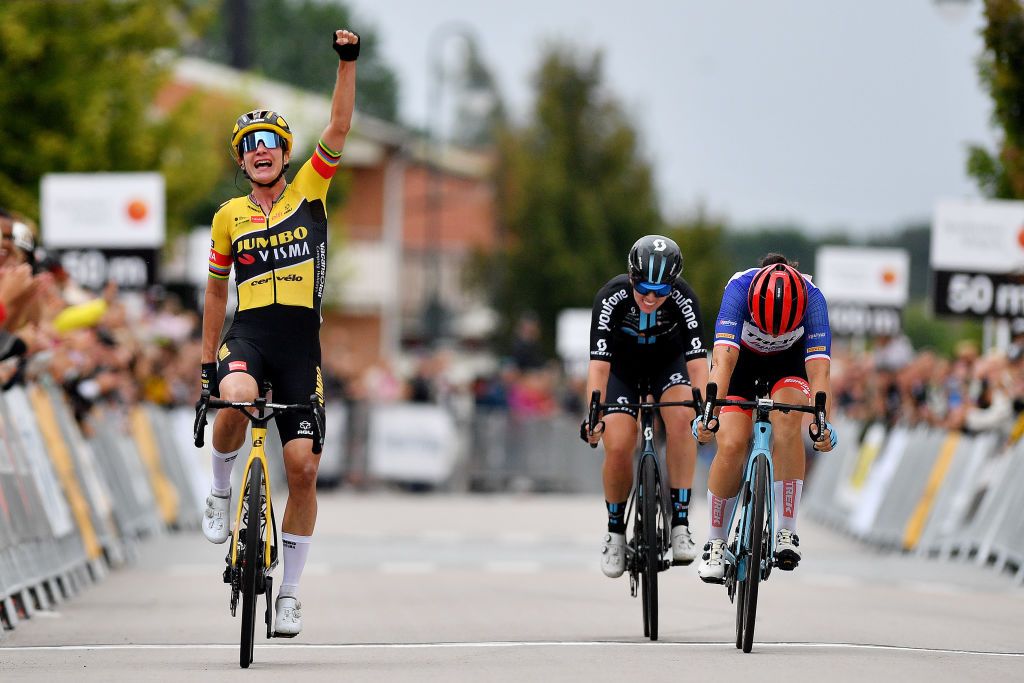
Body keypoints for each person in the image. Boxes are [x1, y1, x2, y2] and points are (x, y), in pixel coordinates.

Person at [199, 28, 360, 638]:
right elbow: (217, 292)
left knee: (303, 469)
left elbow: (340, 128)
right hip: (250, 336)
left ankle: (289, 592)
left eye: (270, 142)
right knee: (236, 396)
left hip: (301, 347)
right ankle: (218, 489)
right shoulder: (227, 218)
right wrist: (207, 361)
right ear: (241, 160)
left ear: (285, 153)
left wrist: (347, 63)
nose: (261, 150)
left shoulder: (309, 191)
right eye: (250, 145)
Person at [692, 254, 836, 583]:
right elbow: (723, 363)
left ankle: (787, 531)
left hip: (789, 367)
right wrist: (708, 415)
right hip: (742, 366)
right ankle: (715, 540)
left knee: (788, 423)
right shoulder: (738, 290)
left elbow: (819, 372)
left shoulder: (813, 299)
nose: (771, 336)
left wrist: (821, 423)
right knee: (730, 442)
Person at [580, 235, 708, 578]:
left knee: (683, 418)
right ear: (632, 278)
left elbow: (697, 364)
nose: (652, 298)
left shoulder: (685, 299)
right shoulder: (611, 297)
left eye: (661, 291)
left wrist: (706, 413)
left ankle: (680, 522)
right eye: (644, 290)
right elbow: (599, 366)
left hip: (669, 367)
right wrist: (594, 415)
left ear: (673, 285)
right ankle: (615, 533)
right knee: (619, 443)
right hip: (623, 371)